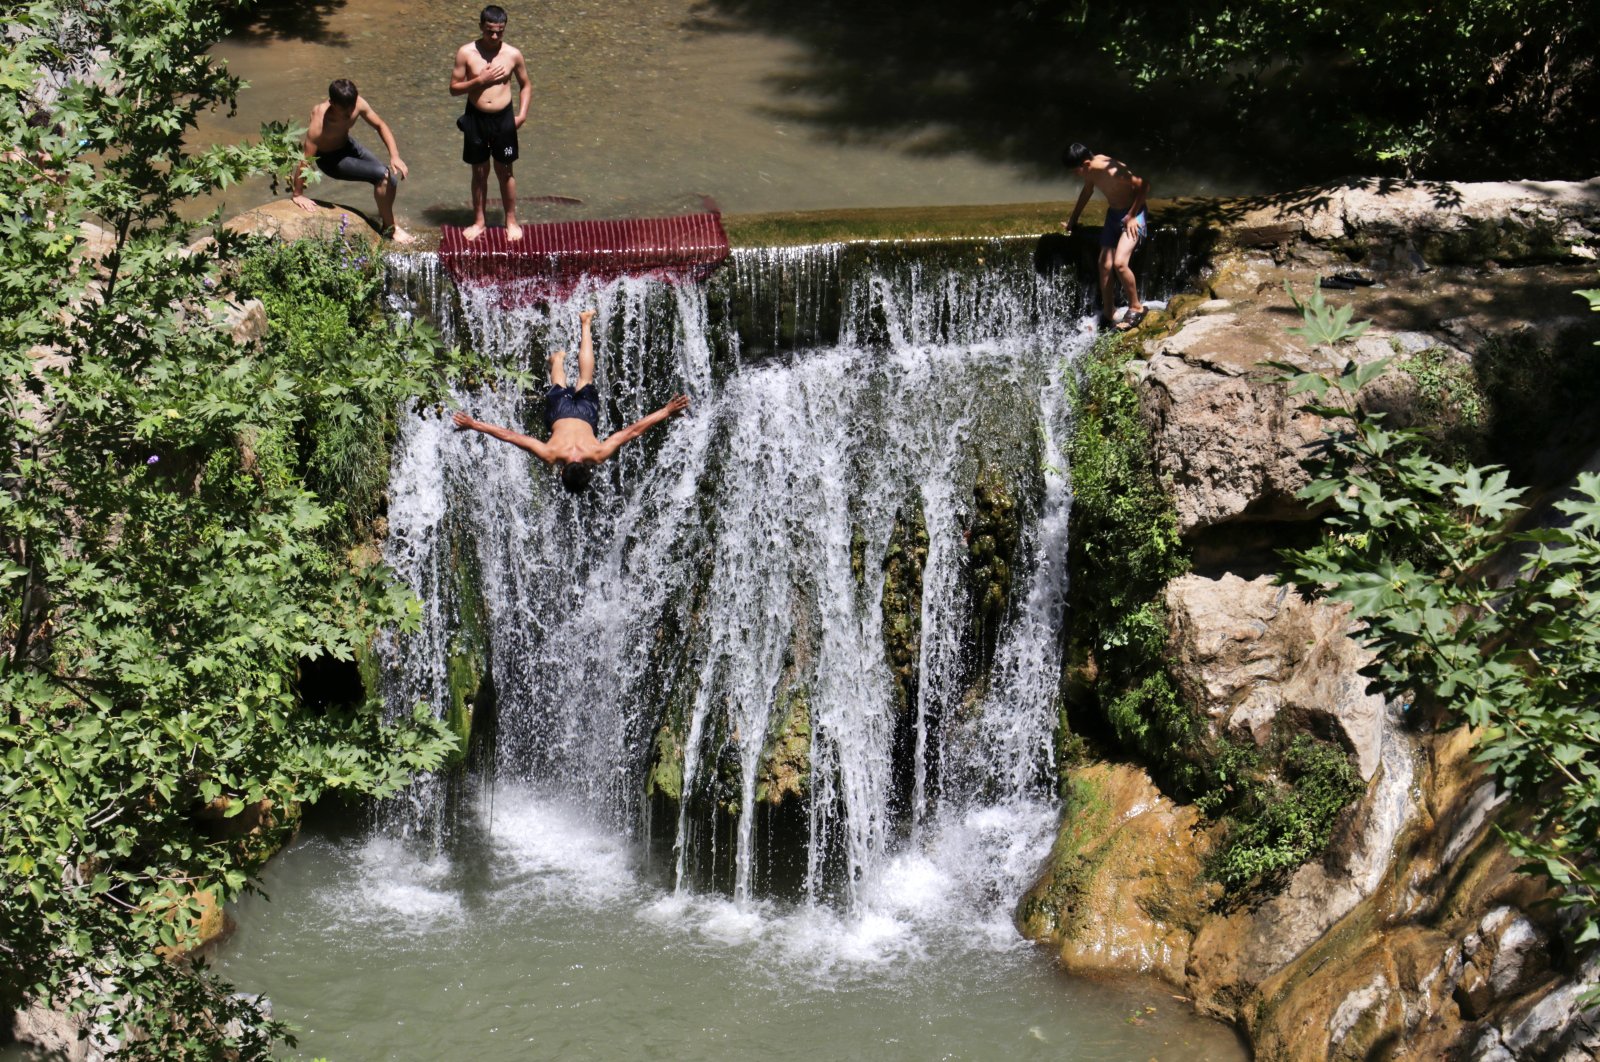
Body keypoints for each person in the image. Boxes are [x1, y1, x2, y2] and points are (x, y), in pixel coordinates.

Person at [452, 310, 690, 493]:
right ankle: (557, 359)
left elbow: (632, 431)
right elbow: (512, 437)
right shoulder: (551, 453)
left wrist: (666, 411)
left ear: (587, 470)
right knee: (558, 383)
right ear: (562, 471)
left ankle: (585, 323)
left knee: (585, 378)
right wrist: (474, 424)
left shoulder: (597, 453)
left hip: (586, 415)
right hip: (560, 415)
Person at [290, 79, 414, 244]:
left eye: (352, 106)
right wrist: (298, 194)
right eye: (345, 110)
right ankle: (390, 228)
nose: (350, 113)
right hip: (331, 160)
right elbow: (307, 158)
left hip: (349, 146)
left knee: (390, 178)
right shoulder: (320, 121)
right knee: (382, 176)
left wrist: (395, 155)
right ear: (332, 103)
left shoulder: (357, 103)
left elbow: (380, 125)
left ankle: (386, 217)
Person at [449, 5, 532, 242]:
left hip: (504, 118)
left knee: (505, 170)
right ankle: (479, 222)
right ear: (481, 27)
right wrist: (479, 80)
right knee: (479, 171)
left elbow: (526, 85)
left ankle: (511, 221)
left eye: (499, 32)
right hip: (476, 118)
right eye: (489, 31)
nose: (494, 36)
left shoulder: (513, 55)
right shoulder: (466, 52)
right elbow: (453, 89)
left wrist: (523, 114)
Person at [1061, 142, 1150, 330]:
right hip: (1114, 215)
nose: (1075, 175)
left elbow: (1144, 185)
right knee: (1104, 264)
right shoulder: (1092, 170)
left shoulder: (1112, 170)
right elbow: (1087, 192)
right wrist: (1072, 221)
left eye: (1076, 171)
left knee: (1119, 263)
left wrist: (1132, 215)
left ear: (1085, 164)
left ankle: (1137, 307)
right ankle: (1110, 311)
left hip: (1133, 215)